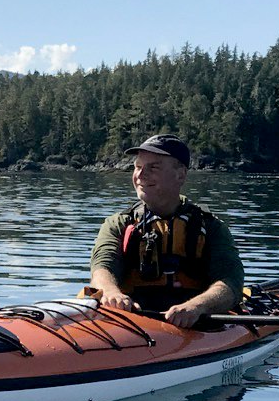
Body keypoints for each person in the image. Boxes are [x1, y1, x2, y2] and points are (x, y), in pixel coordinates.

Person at [87, 134, 243, 328]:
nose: (141, 175)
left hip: (195, 321)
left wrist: (196, 306)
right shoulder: (118, 224)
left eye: (153, 167)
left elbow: (231, 283)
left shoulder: (211, 227)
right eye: (137, 167)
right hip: (131, 319)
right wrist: (111, 293)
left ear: (180, 174)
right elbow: (102, 267)